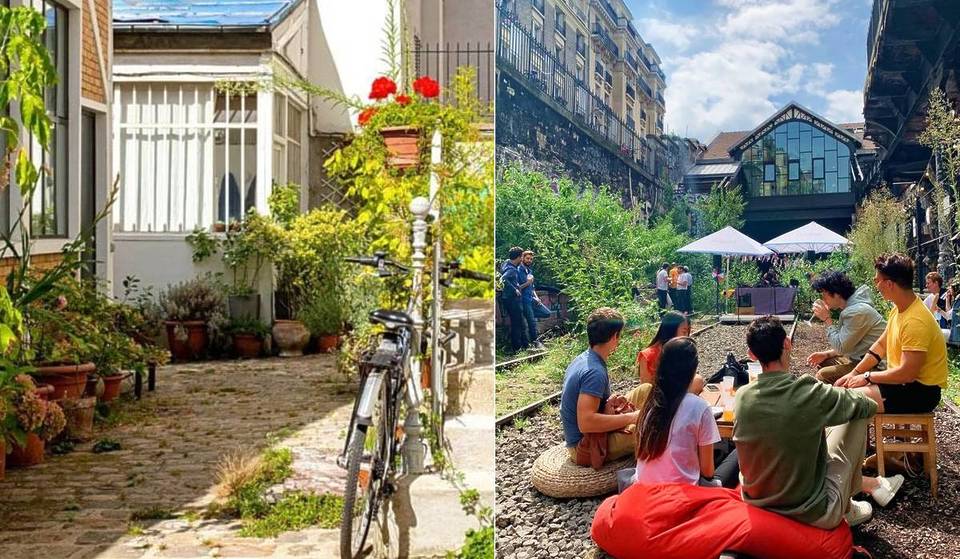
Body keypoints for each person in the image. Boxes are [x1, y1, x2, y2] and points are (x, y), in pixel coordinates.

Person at [734, 316, 903, 530]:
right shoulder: (809, 393)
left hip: (757, 502)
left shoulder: (742, 396)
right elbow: (867, 405)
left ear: (751, 354)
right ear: (787, 343)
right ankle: (847, 509)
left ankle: (864, 492)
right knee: (856, 414)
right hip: (812, 513)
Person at [835, 254, 948, 417]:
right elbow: (881, 346)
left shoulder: (916, 320)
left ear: (889, 284)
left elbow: (907, 374)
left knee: (845, 401)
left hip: (919, 393)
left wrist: (867, 377)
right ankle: (857, 442)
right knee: (845, 392)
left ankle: (846, 443)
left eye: (877, 280)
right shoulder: (899, 309)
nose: (875, 285)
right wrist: (854, 373)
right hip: (901, 385)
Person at [634, 337, 740, 488]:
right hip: (681, 493)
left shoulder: (650, 403)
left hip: (643, 487)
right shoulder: (699, 407)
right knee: (737, 453)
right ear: (693, 369)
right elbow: (707, 472)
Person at [560, 307, 651, 464]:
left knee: (646, 389)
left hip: (591, 435)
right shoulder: (594, 372)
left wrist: (610, 401)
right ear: (614, 336)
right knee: (648, 429)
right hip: (585, 446)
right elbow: (586, 423)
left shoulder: (586, 358)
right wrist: (632, 417)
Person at [806, 271, 887, 384]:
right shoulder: (853, 307)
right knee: (825, 361)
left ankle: (842, 399)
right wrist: (826, 354)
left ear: (837, 294)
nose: (823, 299)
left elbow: (841, 347)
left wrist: (827, 319)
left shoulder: (856, 312)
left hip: (877, 365)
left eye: (824, 294)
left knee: (823, 375)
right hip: (862, 358)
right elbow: (848, 343)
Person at [499, 247, 527, 352]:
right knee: (517, 323)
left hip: (507, 298)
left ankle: (524, 345)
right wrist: (515, 289)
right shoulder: (512, 269)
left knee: (518, 323)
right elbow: (503, 279)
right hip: (512, 300)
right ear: (519, 257)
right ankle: (518, 348)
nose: (522, 260)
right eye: (522, 257)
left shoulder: (506, 263)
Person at [517, 250, 545, 350]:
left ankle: (528, 316)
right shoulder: (518, 270)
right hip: (524, 300)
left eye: (531, 259)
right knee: (532, 322)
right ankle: (536, 343)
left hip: (532, 298)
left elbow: (532, 288)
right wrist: (527, 283)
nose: (529, 260)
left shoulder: (529, 271)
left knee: (546, 313)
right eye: (527, 258)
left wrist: (537, 297)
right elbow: (517, 288)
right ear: (522, 258)